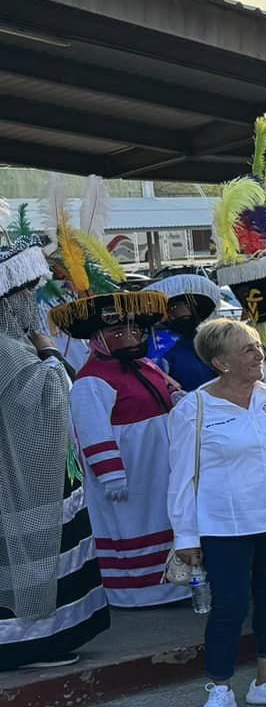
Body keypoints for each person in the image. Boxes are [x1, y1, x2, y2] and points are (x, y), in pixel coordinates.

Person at [166, 318, 266, 707]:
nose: (259, 353)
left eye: (256, 346)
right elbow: (181, 477)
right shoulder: (194, 408)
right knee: (229, 605)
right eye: (247, 348)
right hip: (224, 525)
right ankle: (219, 687)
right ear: (221, 362)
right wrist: (186, 536)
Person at [0, 240, 110, 672]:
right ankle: (32, 642)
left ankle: (54, 633)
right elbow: (56, 394)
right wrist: (47, 350)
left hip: (41, 468)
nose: (31, 303)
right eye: (23, 295)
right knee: (31, 553)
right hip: (26, 476)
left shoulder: (12, 343)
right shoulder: (7, 349)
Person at [68, 306, 188, 607]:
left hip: (159, 463)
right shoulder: (91, 379)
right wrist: (111, 474)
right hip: (130, 468)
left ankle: (175, 582)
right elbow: (91, 429)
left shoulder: (146, 365)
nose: (131, 336)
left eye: (135, 330)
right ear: (99, 339)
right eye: (118, 332)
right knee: (133, 523)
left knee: (163, 517)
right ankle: (138, 590)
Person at [148, 275, 227, 392]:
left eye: (190, 306)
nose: (172, 314)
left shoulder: (206, 339)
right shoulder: (157, 345)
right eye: (172, 308)